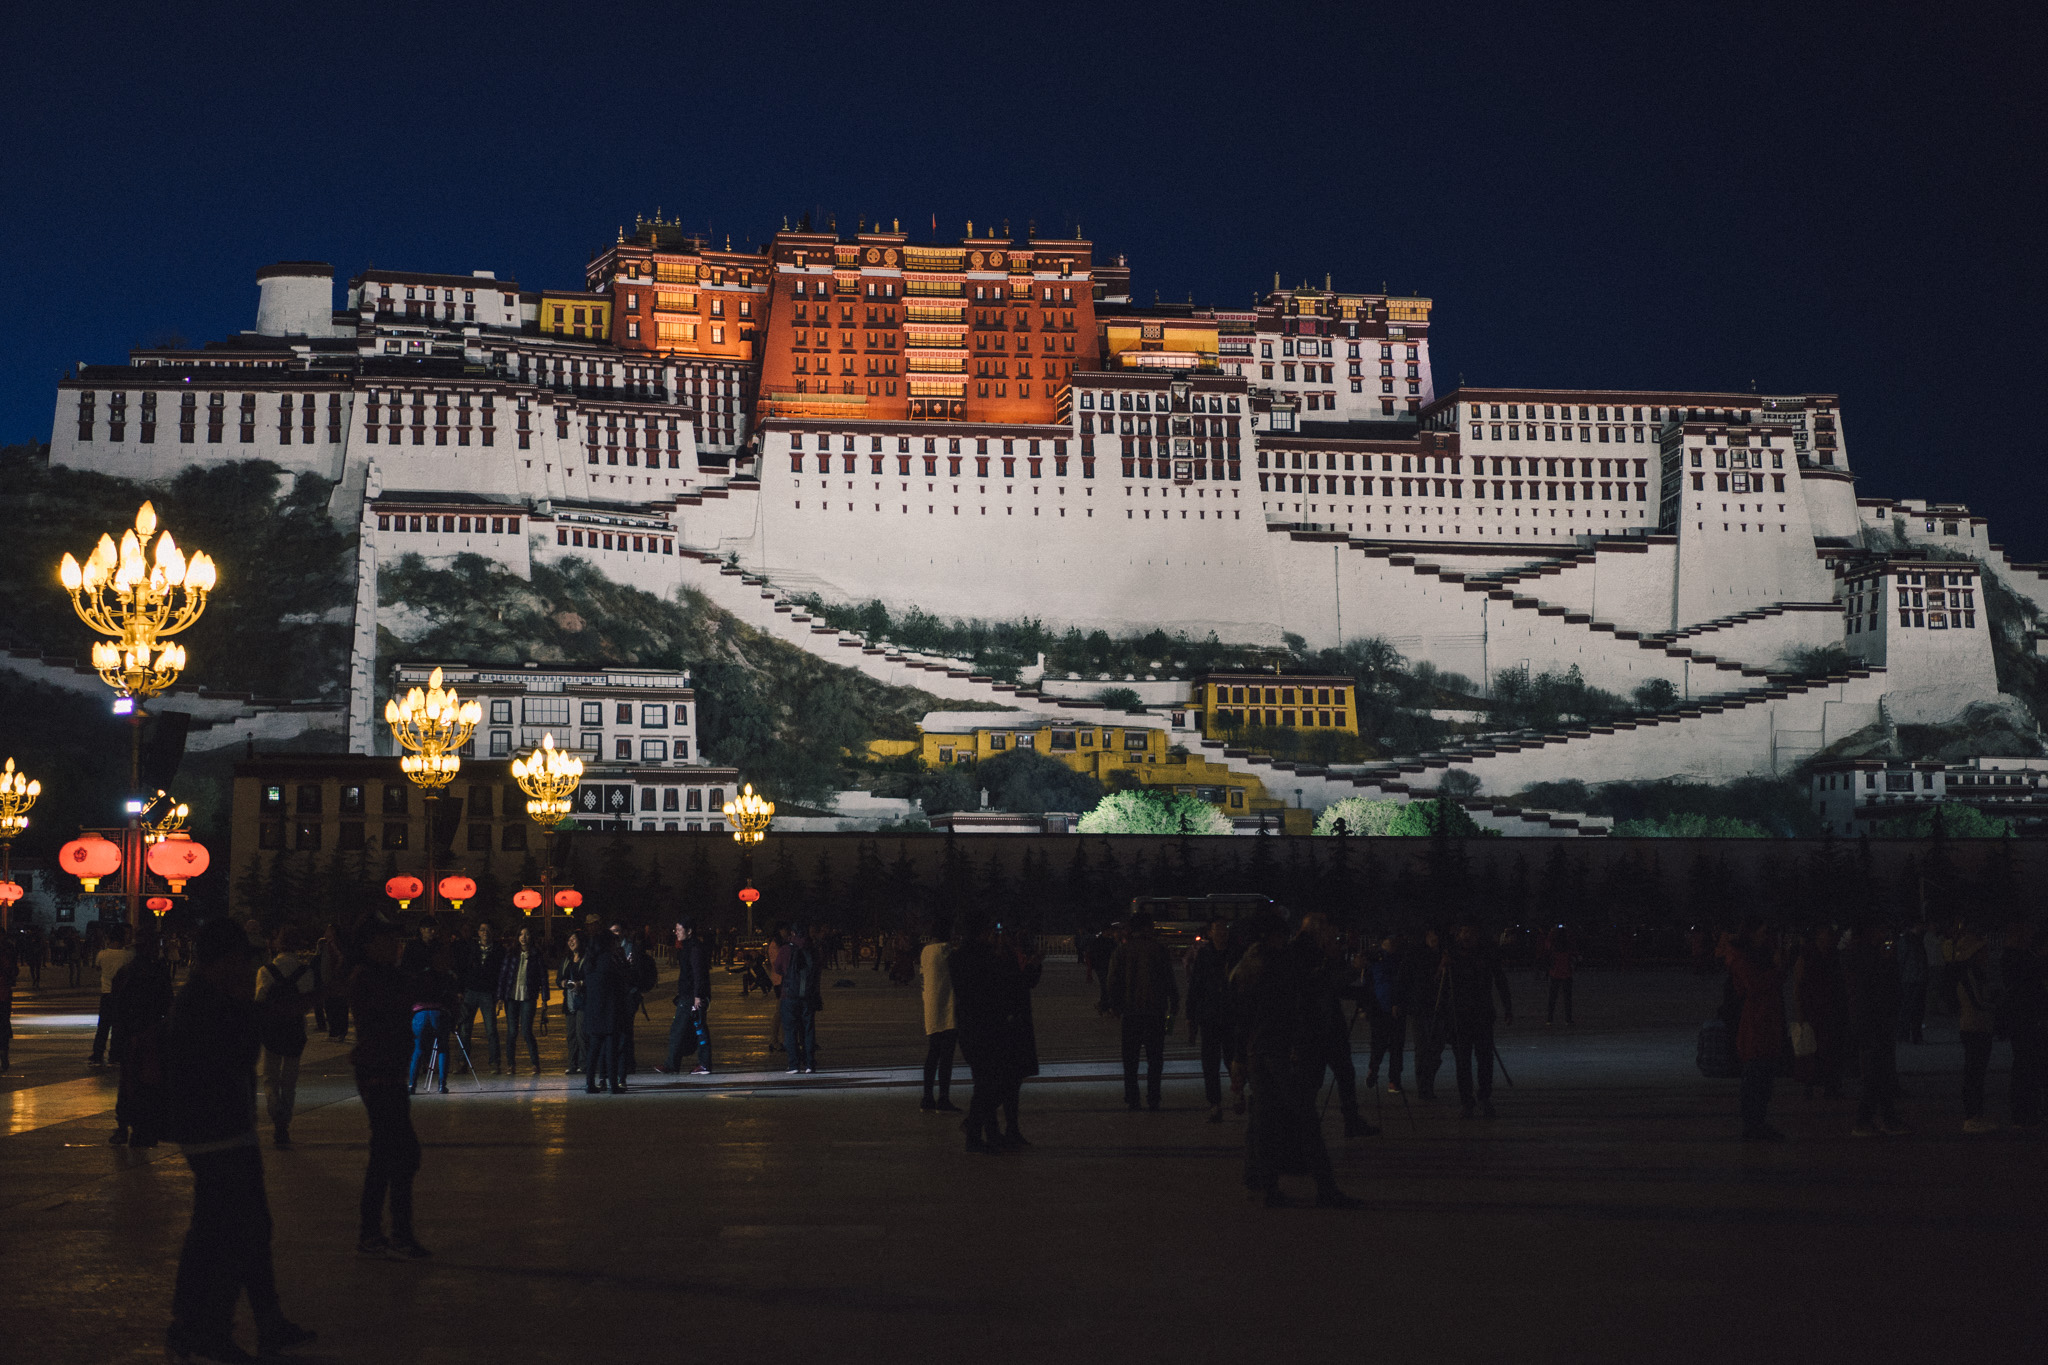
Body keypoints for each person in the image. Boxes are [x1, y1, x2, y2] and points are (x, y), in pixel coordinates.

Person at [163, 917, 313, 1364]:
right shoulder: (203, 1004)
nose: (247, 967)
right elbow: (243, 1041)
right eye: (240, 959)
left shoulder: (209, 999)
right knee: (231, 1233)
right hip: (214, 1133)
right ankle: (206, 1329)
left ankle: (231, 1324)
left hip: (228, 1130)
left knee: (227, 1231)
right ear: (222, 961)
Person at [1231, 911, 1361, 1209]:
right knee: (1306, 1120)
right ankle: (1326, 1189)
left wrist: (1240, 1056)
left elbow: (1240, 1016)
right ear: (1271, 936)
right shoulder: (1279, 963)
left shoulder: (1245, 966)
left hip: (1257, 1052)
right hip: (1281, 1051)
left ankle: (1268, 1188)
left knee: (1264, 1121)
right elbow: (1306, 994)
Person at [348, 920, 430, 1261]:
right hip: (378, 1071)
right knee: (394, 1150)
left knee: (392, 1152)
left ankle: (383, 1231)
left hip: (388, 1070)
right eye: (388, 941)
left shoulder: (382, 976)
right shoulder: (369, 978)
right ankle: (391, 1232)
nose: (395, 947)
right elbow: (396, 1002)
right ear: (370, 945)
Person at [1301, 912, 1374, 1138]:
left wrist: (1362, 991)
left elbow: (1336, 987)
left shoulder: (1324, 952)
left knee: (1345, 1073)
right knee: (1313, 1080)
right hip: (1314, 1027)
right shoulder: (1306, 954)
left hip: (1330, 1024)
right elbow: (1325, 984)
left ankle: (1351, 1121)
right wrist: (1353, 969)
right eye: (1329, 930)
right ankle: (1305, 1129)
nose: (1334, 935)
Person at [948, 914, 1012, 1153]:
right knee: (992, 1084)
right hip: (989, 1027)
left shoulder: (956, 958)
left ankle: (989, 1133)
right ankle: (974, 1132)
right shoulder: (987, 958)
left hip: (967, 1026)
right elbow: (999, 989)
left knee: (983, 1082)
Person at [1839, 918, 1909, 1138]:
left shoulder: (1866, 952)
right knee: (1875, 1072)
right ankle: (1868, 1120)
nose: (1885, 934)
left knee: (1880, 1071)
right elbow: (1872, 986)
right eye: (1881, 929)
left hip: (1876, 1018)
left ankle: (1880, 1118)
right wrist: (1886, 960)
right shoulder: (1861, 954)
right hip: (1871, 1020)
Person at [1720, 920, 1787, 1141]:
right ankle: (1752, 1124)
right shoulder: (1742, 959)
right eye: (1763, 932)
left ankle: (1758, 1122)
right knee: (1755, 1075)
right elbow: (1754, 985)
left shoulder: (1757, 955)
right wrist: (1776, 970)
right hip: (1753, 1023)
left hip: (1765, 1021)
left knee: (1763, 1075)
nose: (1766, 938)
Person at [1104, 911, 1179, 1111]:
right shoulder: (1159, 950)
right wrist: (1174, 1003)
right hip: (1155, 1012)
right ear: (1147, 928)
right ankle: (1153, 1097)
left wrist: (1115, 1005)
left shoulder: (1122, 950)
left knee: (1131, 1060)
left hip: (1131, 1013)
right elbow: (1169, 979)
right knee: (1155, 1059)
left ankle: (1132, 1098)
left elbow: (1112, 981)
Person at [1439, 920, 1513, 1120]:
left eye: (1471, 932)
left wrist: (1508, 1007)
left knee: (1485, 1060)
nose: (1467, 936)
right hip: (1459, 1016)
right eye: (1464, 931)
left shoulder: (1487, 953)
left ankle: (1484, 1097)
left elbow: (1500, 979)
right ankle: (1467, 1101)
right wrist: (1443, 969)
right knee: (1463, 1062)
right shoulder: (1452, 955)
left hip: (1482, 1014)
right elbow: (1442, 986)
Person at [255, 928, 318, 1148]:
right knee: (290, 1079)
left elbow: (260, 1000)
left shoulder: (266, 970)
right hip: (294, 1028)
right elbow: (308, 1002)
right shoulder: (305, 972)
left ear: (276, 944)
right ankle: (285, 1122)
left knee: (270, 1075)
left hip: (272, 1028)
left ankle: (275, 1113)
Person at [993, 925, 1043, 1145]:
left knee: (1012, 1080)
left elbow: (1027, 982)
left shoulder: (1009, 956)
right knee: (1010, 1080)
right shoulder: (1004, 958)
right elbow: (1019, 984)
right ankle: (979, 1119)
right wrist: (1034, 965)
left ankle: (1010, 1128)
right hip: (1012, 1024)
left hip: (1014, 1022)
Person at [1185, 917, 1237, 1123]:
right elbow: (1195, 987)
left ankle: (1238, 1093)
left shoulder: (1235, 954)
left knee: (1234, 1059)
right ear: (1211, 933)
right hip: (1210, 1016)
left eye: (1224, 928)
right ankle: (1215, 1103)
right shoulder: (1204, 956)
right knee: (1210, 1063)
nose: (1222, 933)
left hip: (1231, 1016)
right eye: (1218, 929)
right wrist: (1191, 1017)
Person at [1791, 926, 1848, 1097]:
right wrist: (1800, 1011)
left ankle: (1830, 1085)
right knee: (1811, 1049)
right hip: (1813, 1008)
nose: (1831, 937)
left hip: (1830, 1008)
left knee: (1830, 1048)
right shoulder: (1807, 956)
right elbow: (1799, 985)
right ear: (1819, 935)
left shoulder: (1833, 955)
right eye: (1827, 932)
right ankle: (1810, 1084)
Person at [1951, 925, 1998, 1133]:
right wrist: (1997, 1003)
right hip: (1974, 1027)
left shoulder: (1976, 973)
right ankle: (1971, 1118)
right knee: (1974, 1075)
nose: (1987, 955)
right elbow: (1979, 1002)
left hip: (1979, 1027)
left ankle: (1976, 1116)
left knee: (1976, 1074)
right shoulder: (1969, 975)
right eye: (1983, 951)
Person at [2001, 921, 2046, 1130]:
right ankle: (2024, 1112)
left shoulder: (2017, 956)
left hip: (2024, 1018)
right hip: (2025, 1019)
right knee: (2027, 1066)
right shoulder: (2017, 958)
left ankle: (2026, 1110)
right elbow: (2028, 985)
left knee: (2027, 1066)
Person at [660, 917, 713, 1075]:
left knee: (684, 1029)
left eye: (679, 929)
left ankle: (675, 1064)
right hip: (689, 994)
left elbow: (698, 974)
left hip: (691, 995)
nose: (676, 932)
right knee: (697, 1028)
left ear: (689, 931)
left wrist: (698, 996)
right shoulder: (688, 947)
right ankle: (701, 1063)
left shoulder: (694, 948)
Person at [919, 916, 960, 1112]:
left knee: (933, 1053)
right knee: (947, 1055)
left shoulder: (926, 951)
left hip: (931, 1008)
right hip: (948, 1008)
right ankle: (943, 1098)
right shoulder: (947, 951)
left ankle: (927, 1097)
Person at [581, 929, 629, 1094]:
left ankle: (589, 1083)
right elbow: (621, 983)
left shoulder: (589, 962)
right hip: (610, 1009)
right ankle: (613, 1085)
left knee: (594, 1049)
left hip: (594, 1010)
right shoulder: (609, 960)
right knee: (611, 1049)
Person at [453, 922, 505, 1074]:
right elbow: (462, 969)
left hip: (488, 993)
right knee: (465, 1029)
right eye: (482, 930)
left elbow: (501, 974)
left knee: (491, 1030)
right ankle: (462, 1062)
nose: (485, 933)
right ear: (478, 932)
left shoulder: (498, 950)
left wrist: (499, 994)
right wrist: (460, 990)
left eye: (488, 930)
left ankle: (495, 1063)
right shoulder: (471, 948)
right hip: (471, 991)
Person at [498, 925, 547, 1076]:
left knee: (526, 1031)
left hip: (528, 997)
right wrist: (500, 997)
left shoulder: (536, 954)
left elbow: (543, 978)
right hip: (511, 997)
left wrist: (545, 999)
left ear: (531, 937)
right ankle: (511, 1065)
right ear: (517, 937)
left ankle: (535, 1064)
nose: (523, 937)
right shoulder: (511, 953)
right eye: (521, 934)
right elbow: (503, 975)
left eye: (526, 934)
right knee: (512, 1032)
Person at [409, 948, 458, 1095]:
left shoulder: (419, 975)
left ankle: (412, 1085)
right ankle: (442, 1085)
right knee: (443, 1048)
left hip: (420, 1013)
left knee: (418, 1050)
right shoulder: (447, 976)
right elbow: (452, 999)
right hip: (439, 1013)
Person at [1406, 927, 1447, 1100]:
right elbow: (1420, 980)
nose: (1433, 938)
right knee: (1423, 1048)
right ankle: (1424, 1087)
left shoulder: (1444, 953)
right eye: (1430, 935)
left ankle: (1427, 1082)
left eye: (1436, 935)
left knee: (1436, 1050)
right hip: (1421, 1008)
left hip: (1440, 1008)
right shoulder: (1418, 955)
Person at [776, 923, 823, 1074]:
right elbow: (817, 972)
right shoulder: (813, 950)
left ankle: (794, 1064)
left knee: (790, 1030)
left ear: (793, 933)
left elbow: (778, 968)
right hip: (808, 996)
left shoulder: (786, 949)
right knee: (808, 1030)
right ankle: (810, 1064)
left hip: (789, 995)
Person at [1364, 933, 1407, 1096]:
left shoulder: (1399, 959)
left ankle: (1394, 1080)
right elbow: (1368, 984)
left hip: (1395, 1008)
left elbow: (1401, 982)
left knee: (1396, 1046)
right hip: (1379, 1009)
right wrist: (1366, 1007)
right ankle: (1374, 1070)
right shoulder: (1376, 960)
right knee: (1379, 1044)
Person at [90, 924, 135, 1067]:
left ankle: (97, 1056)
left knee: (103, 1026)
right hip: (122, 994)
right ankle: (115, 1057)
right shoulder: (128, 955)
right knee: (118, 1027)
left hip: (106, 993)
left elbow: (97, 968)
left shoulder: (102, 954)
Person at [1896, 917, 1930, 1045]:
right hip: (1911, 979)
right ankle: (1907, 1035)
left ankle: (1912, 1035)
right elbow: (1902, 960)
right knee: (1911, 1008)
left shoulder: (1913, 940)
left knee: (1915, 1008)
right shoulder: (1908, 940)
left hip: (1914, 978)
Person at [559, 929, 588, 1075]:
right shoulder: (566, 960)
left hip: (583, 1001)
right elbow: (559, 979)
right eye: (569, 939)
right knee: (571, 1034)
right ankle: (572, 1064)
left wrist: (580, 983)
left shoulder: (586, 958)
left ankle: (584, 1064)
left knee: (581, 1033)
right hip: (569, 1002)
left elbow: (590, 978)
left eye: (574, 939)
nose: (571, 941)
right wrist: (563, 983)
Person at [316, 922, 351, 1042]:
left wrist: (333, 974)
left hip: (334, 982)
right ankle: (338, 1031)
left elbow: (339, 959)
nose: (325, 932)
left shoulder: (332, 945)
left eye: (328, 930)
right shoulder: (332, 945)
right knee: (337, 1006)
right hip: (335, 981)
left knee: (334, 1006)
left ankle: (337, 1031)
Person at [1544, 926, 1577, 1025]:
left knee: (1552, 998)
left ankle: (1549, 1019)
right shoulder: (1568, 946)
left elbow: (1547, 948)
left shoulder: (1553, 947)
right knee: (1567, 998)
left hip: (1555, 973)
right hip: (1566, 973)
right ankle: (1568, 1019)